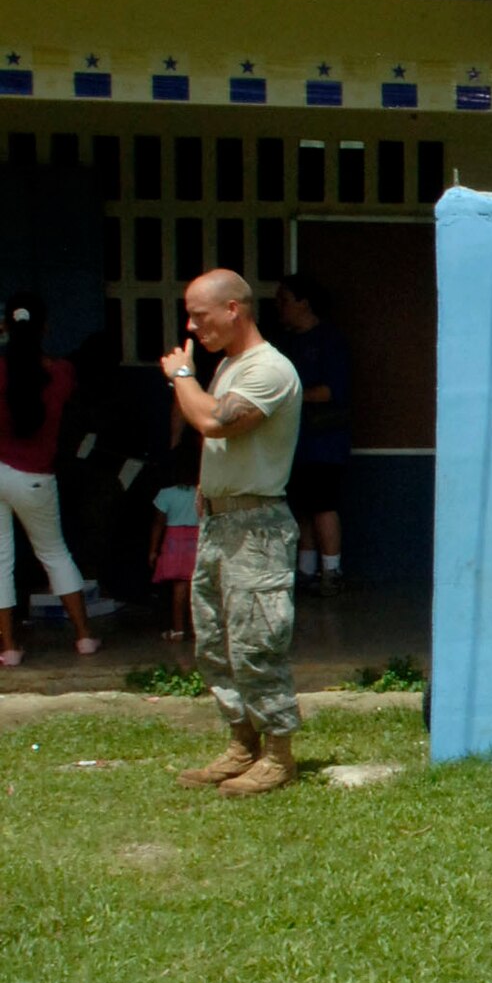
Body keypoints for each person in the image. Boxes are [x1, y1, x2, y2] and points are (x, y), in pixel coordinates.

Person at [162, 270, 303, 797]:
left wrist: (181, 376)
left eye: (200, 315)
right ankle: (242, 744)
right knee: (217, 642)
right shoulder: (227, 366)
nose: (192, 326)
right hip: (221, 522)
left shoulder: (269, 370)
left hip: (257, 527)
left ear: (233, 310)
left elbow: (216, 422)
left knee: (256, 640)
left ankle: (279, 755)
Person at [0, 292, 100, 665]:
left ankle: (8, 647)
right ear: (45, 327)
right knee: (55, 554)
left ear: (7, 326)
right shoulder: (61, 373)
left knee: (0, 560)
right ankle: (84, 637)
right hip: (35, 478)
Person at [275, 276, 352, 595]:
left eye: (285, 300)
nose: (280, 308)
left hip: (323, 442)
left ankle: (332, 572)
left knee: (322, 504)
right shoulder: (287, 343)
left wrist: (289, 396)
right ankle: (305, 570)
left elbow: (331, 391)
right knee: (300, 506)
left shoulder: (330, 341)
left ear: (304, 302)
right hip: (293, 442)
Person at [149, 437, 201, 640]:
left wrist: (153, 550)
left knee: (179, 587)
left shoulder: (166, 494)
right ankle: (196, 628)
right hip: (196, 542)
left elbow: (157, 524)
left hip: (173, 544)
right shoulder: (201, 494)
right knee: (197, 588)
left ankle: (178, 629)